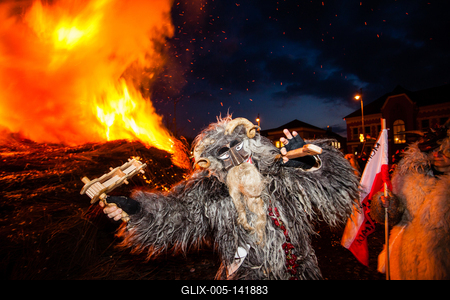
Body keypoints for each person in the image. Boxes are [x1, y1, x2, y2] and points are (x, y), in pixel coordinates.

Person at [99, 116, 359, 280]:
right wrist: (138, 210)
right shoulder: (208, 191)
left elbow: (337, 191)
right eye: (224, 153)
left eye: (238, 147)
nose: (235, 157)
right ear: (213, 163)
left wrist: (313, 163)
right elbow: (176, 214)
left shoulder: (282, 174)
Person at [370, 120, 450, 279]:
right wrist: (387, 204)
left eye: (443, 150)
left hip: (440, 263)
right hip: (403, 260)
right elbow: (393, 216)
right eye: (434, 149)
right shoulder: (408, 176)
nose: (437, 154)